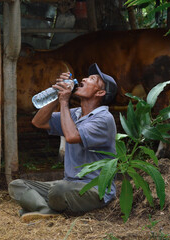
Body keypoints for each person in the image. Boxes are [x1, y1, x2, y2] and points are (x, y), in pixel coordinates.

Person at [8, 63, 118, 222]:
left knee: (58, 192)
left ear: (100, 92)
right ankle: (44, 209)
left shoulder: (103, 119)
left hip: (94, 190)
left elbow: (72, 136)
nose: (85, 79)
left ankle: (43, 205)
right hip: (68, 185)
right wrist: (56, 95)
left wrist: (64, 102)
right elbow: (38, 122)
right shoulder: (76, 113)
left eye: (92, 79)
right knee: (17, 185)